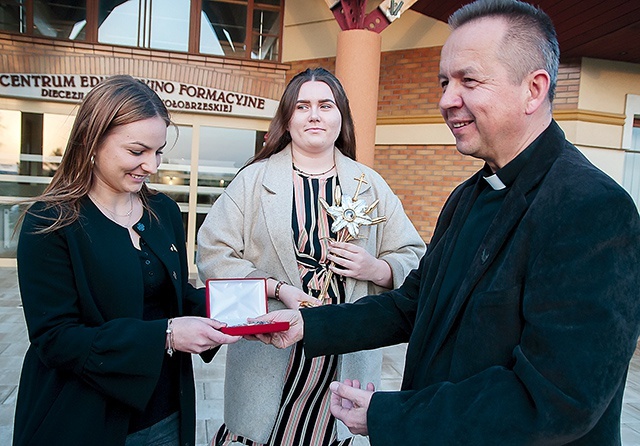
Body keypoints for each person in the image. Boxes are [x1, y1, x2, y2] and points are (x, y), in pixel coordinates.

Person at [253, 1, 640, 444]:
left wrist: (390, 416)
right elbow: (414, 305)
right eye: (444, 82)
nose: (445, 100)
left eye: (468, 80)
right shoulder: (467, 196)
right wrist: (309, 324)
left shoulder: (591, 208)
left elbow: (557, 399)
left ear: (533, 90)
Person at [196, 67, 425, 446]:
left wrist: (378, 268)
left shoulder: (370, 184)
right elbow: (212, 251)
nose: (314, 115)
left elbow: (415, 257)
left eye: (325, 105)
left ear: (342, 117)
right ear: (287, 118)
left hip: (343, 350)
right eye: (302, 106)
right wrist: (276, 287)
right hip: (271, 351)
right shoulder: (254, 180)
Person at [13, 75, 240, 446]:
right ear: (91, 141)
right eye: (137, 151)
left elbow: (173, 295)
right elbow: (55, 339)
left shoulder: (162, 210)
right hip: (82, 418)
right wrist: (166, 335)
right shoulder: (50, 222)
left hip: (166, 412)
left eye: (159, 151)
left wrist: (249, 309)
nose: (151, 165)